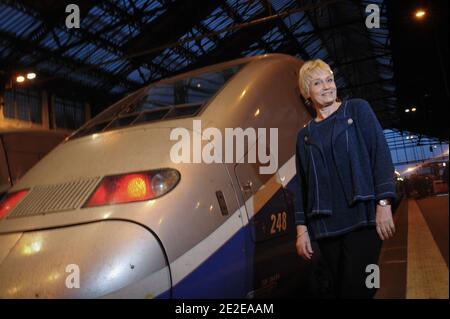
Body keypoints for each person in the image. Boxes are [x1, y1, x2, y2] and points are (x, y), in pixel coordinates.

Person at [294, 59, 397, 298]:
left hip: (362, 219)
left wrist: (384, 204)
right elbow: (303, 188)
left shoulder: (358, 110)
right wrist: (301, 231)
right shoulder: (305, 136)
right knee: (340, 289)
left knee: (361, 288)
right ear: (307, 92)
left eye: (329, 80)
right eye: (318, 83)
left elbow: (379, 155)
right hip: (326, 227)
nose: (327, 86)